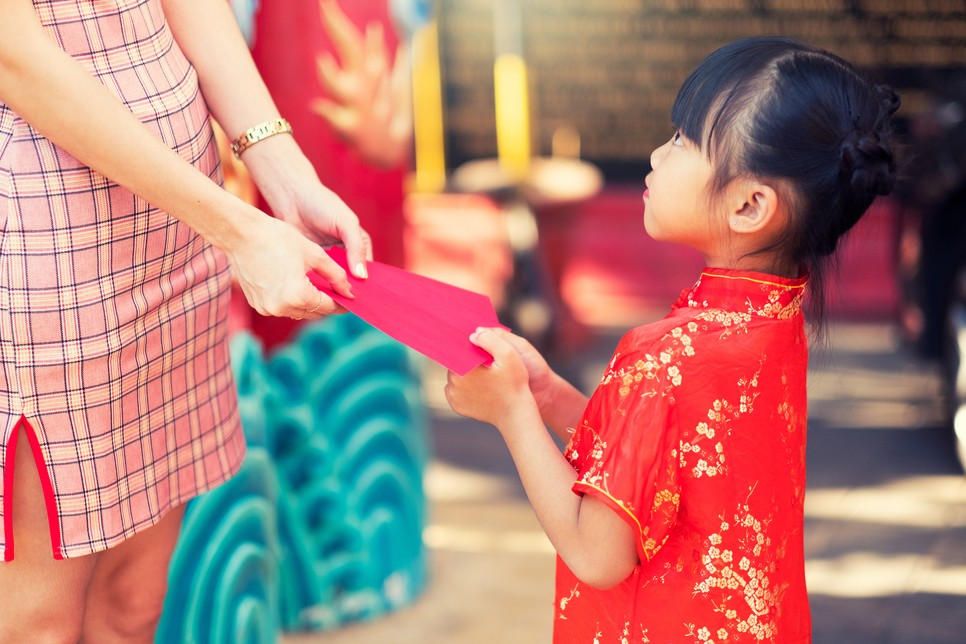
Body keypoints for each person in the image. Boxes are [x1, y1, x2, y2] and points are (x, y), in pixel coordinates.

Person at [445, 36, 898, 642]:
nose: (657, 156)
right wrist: (548, 394)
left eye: (683, 141)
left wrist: (510, 413)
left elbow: (599, 554)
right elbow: (662, 475)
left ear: (749, 205)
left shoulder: (665, 353)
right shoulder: (774, 318)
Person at [0, 0, 370, 641]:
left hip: (180, 214)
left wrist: (280, 168)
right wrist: (241, 231)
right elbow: (17, 59)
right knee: (40, 621)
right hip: (45, 224)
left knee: (136, 600)